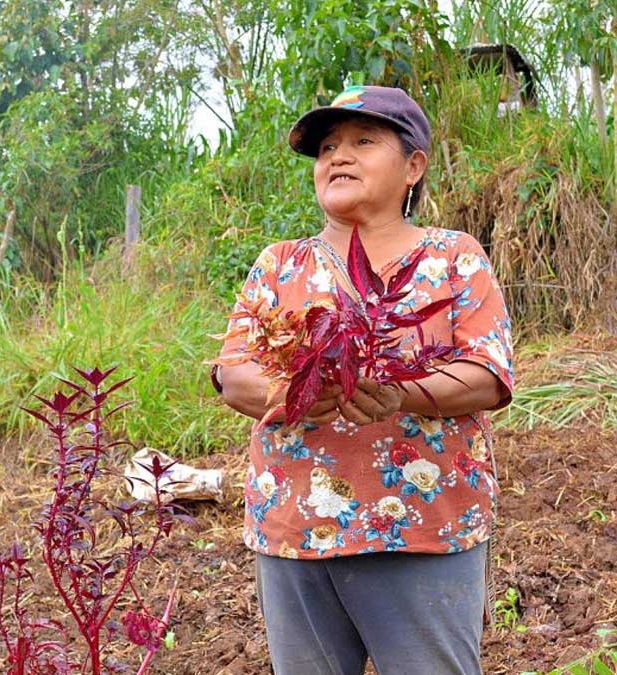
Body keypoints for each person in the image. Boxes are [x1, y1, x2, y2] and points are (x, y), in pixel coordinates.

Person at [214, 85, 514, 674]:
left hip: (422, 528)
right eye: (328, 147)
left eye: (363, 141)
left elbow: (488, 373)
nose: (338, 157)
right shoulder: (281, 264)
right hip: (296, 529)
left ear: (414, 166)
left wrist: (399, 394)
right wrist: (292, 394)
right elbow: (231, 372)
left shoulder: (453, 258)